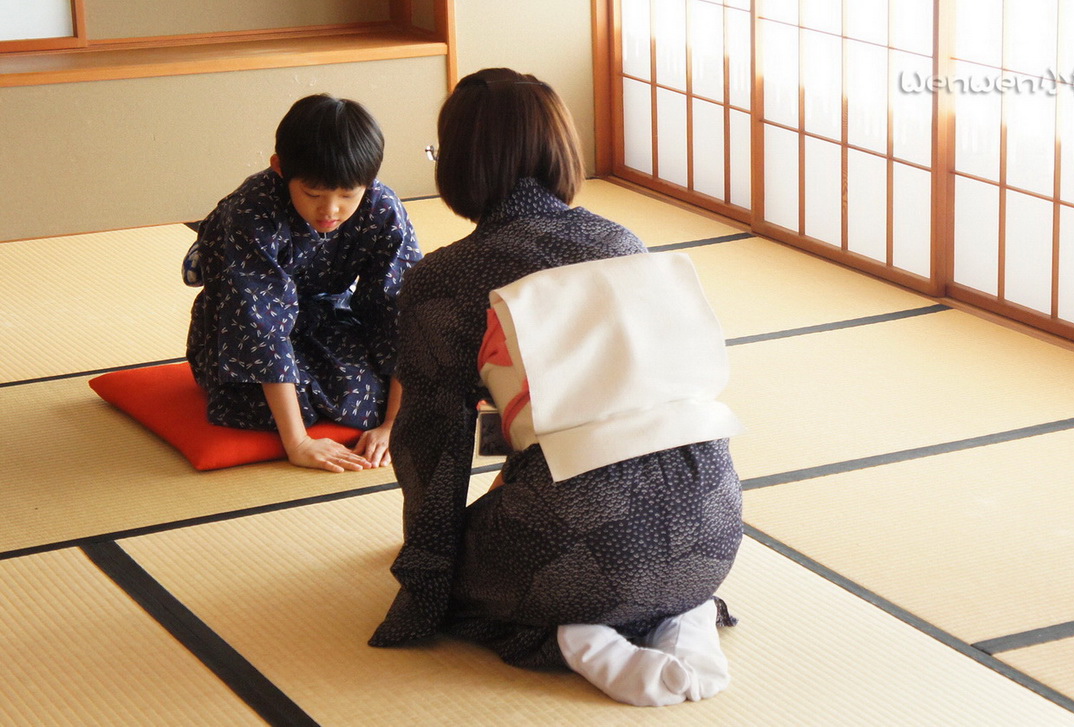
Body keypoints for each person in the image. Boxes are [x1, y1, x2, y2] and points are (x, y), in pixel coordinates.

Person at [368, 68, 744, 707]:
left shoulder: (446, 278)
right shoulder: (620, 242)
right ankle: (683, 615)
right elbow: (598, 391)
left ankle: (579, 637)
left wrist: (427, 572)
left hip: (580, 544)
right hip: (711, 529)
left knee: (459, 568)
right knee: (606, 534)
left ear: (460, 163)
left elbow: (433, 443)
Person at [184, 94, 421, 473]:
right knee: (249, 402)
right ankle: (292, 417)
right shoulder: (250, 213)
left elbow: (398, 307)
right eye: (313, 194)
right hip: (238, 330)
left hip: (327, 318)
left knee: (375, 395)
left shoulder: (382, 206)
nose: (330, 210)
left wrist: (395, 424)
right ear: (280, 169)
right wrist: (297, 442)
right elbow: (259, 327)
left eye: (348, 195)